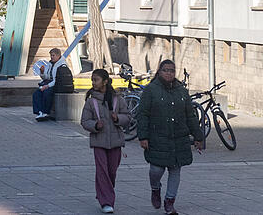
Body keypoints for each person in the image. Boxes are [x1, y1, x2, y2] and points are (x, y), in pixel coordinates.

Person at [137, 59, 203, 215]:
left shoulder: (181, 91)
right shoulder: (151, 90)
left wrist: (198, 136)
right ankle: (155, 188)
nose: (169, 73)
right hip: (157, 137)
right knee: (156, 169)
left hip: (178, 138)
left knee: (175, 170)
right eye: (166, 70)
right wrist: (143, 136)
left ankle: (169, 201)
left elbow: (190, 115)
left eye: (172, 70)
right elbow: (143, 114)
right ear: (159, 71)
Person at [81, 69, 131, 214]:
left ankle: (104, 192)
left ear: (105, 81)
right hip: (99, 142)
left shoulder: (117, 99)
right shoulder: (91, 101)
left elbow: (128, 117)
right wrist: (95, 125)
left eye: (96, 79)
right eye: (92, 80)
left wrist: (118, 119)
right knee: (102, 171)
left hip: (116, 142)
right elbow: (84, 121)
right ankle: (106, 201)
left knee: (111, 172)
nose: (93, 83)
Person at [32, 48, 74, 121]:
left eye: (53, 55)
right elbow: (46, 77)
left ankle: (45, 112)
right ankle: (39, 112)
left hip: (57, 85)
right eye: (51, 55)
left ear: (58, 56)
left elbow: (57, 80)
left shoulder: (62, 65)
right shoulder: (49, 64)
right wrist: (42, 72)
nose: (51, 57)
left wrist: (47, 86)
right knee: (36, 93)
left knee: (47, 92)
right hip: (49, 82)